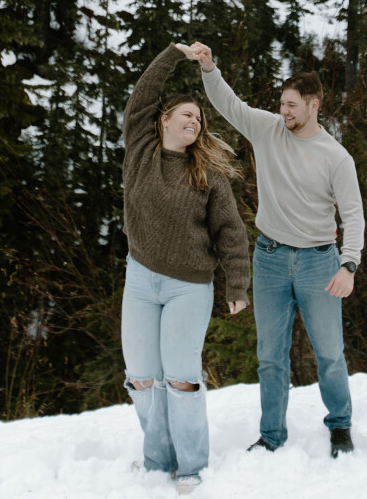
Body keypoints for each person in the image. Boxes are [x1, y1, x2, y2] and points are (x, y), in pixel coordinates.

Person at [183, 41, 364, 458]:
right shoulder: (268, 129)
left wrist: (349, 265)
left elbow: (354, 217)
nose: (284, 111)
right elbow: (229, 105)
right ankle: (271, 435)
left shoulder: (336, 158)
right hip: (269, 259)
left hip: (320, 263)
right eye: (282, 103)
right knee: (270, 356)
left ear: (314, 105)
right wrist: (209, 68)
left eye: (292, 105)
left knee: (329, 354)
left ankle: (340, 425)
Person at [121, 43, 250, 495]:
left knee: (180, 378)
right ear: (163, 120)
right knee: (141, 377)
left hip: (188, 286)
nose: (195, 122)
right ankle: (158, 460)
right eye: (187, 115)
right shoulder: (141, 150)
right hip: (140, 278)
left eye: (199, 118)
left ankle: (191, 466)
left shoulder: (208, 174)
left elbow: (230, 231)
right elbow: (142, 95)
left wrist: (237, 285)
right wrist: (174, 54)